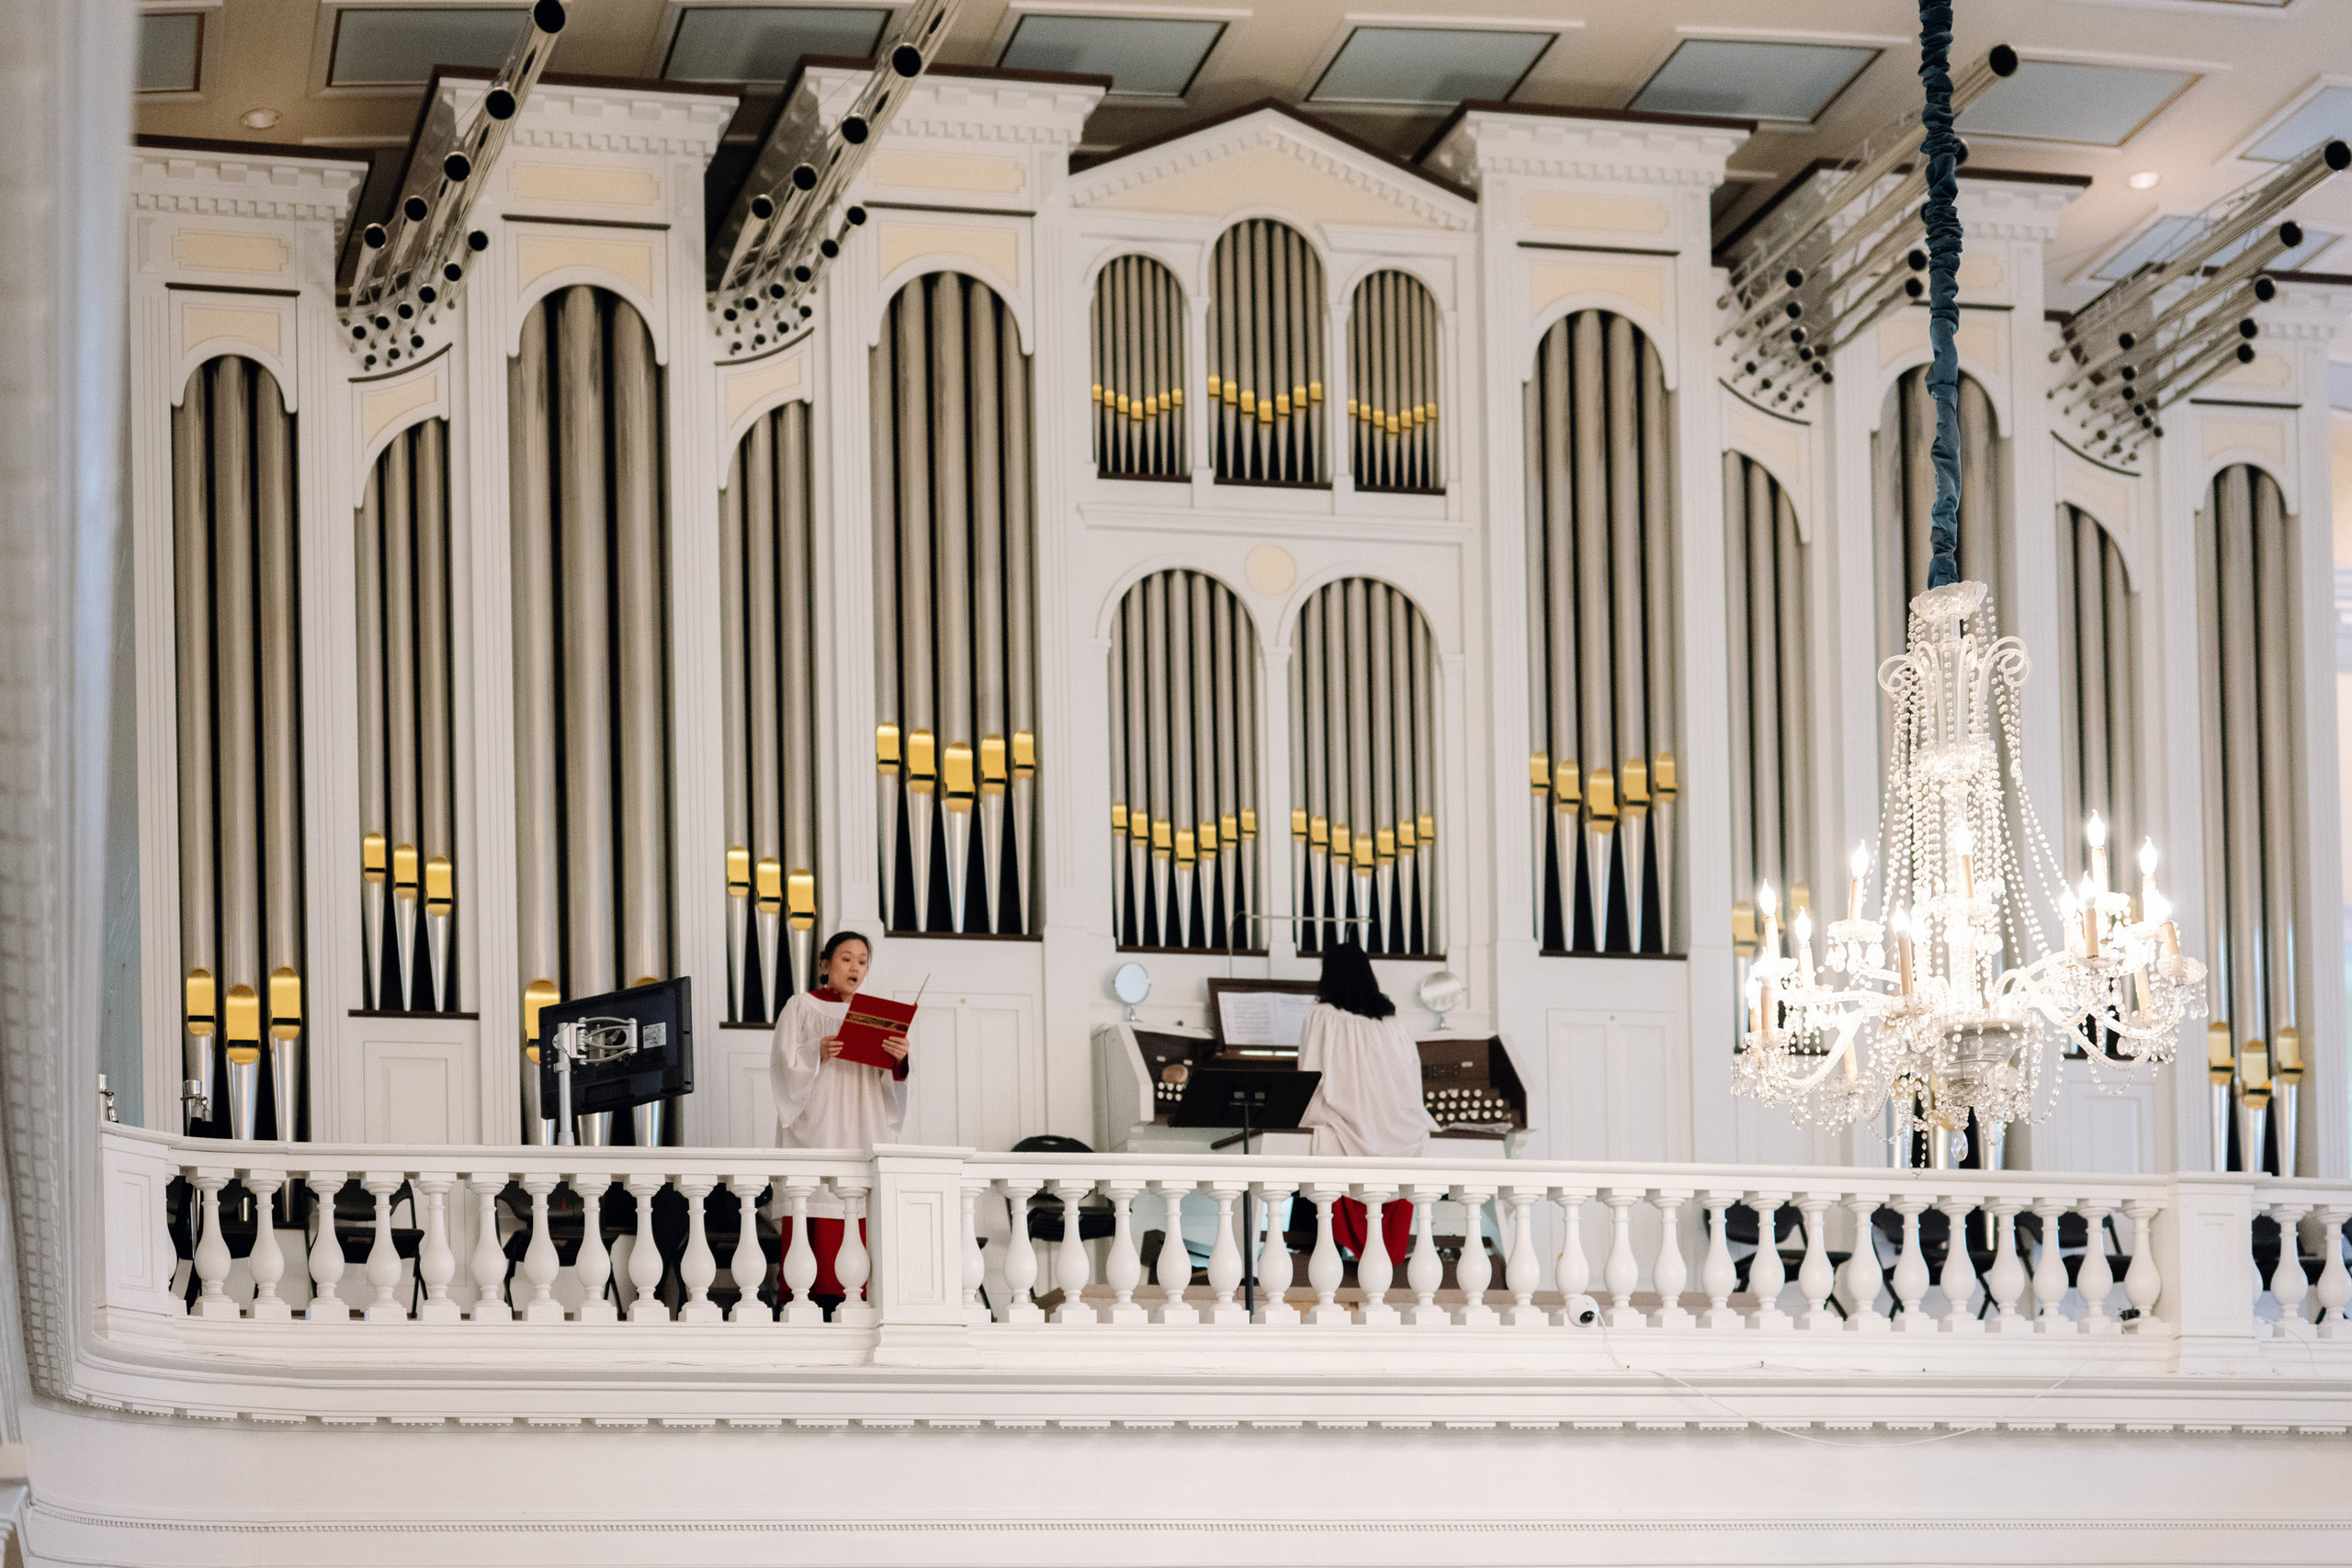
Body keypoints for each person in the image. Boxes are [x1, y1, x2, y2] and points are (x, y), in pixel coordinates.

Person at [769, 931, 910, 1298]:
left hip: (862, 1118)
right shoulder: (801, 1006)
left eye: (862, 961)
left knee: (857, 1201)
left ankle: (856, 1297)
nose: (855, 967)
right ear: (825, 964)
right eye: (846, 958)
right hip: (818, 1122)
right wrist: (814, 1050)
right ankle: (808, 1297)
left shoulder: (876, 1014)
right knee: (816, 1201)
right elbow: (783, 1064)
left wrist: (899, 1058)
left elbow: (891, 1081)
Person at [1296, 941, 1436, 1263]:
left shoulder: (1321, 1016)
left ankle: (1310, 1251)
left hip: (1346, 1124)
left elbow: (1310, 1076)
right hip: (1401, 1128)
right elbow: (1412, 1082)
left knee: (1314, 1138)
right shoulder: (1394, 1023)